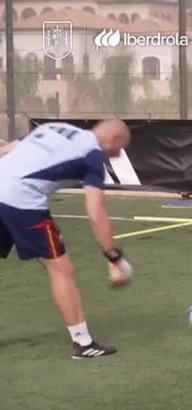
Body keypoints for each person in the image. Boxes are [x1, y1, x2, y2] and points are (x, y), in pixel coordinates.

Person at [0, 120, 135, 359]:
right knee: (61, 269)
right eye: (120, 148)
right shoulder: (93, 156)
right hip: (22, 200)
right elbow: (96, 213)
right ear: (113, 140)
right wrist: (115, 258)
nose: (117, 154)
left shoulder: (53, 127)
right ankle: (83, 344)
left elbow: (8, 149)